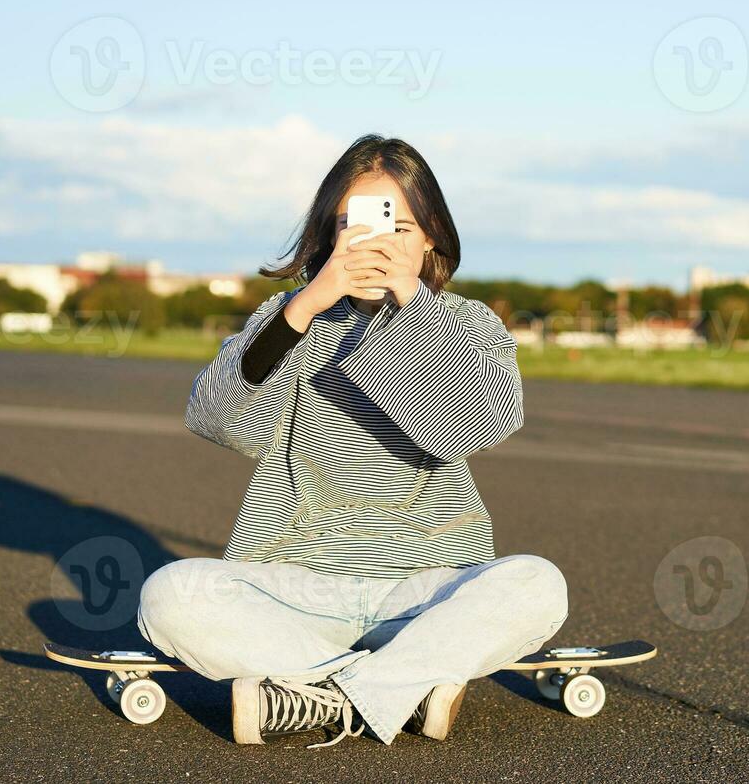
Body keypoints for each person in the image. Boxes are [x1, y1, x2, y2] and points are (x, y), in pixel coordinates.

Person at [136, 134, 566, 748]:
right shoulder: (286, 319)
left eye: (399, 226)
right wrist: (305, 308)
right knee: (170, 593)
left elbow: (472, 428)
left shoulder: (470, 323)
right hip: (295, 582)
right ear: (328, 236)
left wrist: (410, 306)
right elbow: (216, 418)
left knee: (537, 584)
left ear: (430, 240)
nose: (377, 244)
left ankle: (316, 694)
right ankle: (399, 689)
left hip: (428, 584)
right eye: (353, 225)